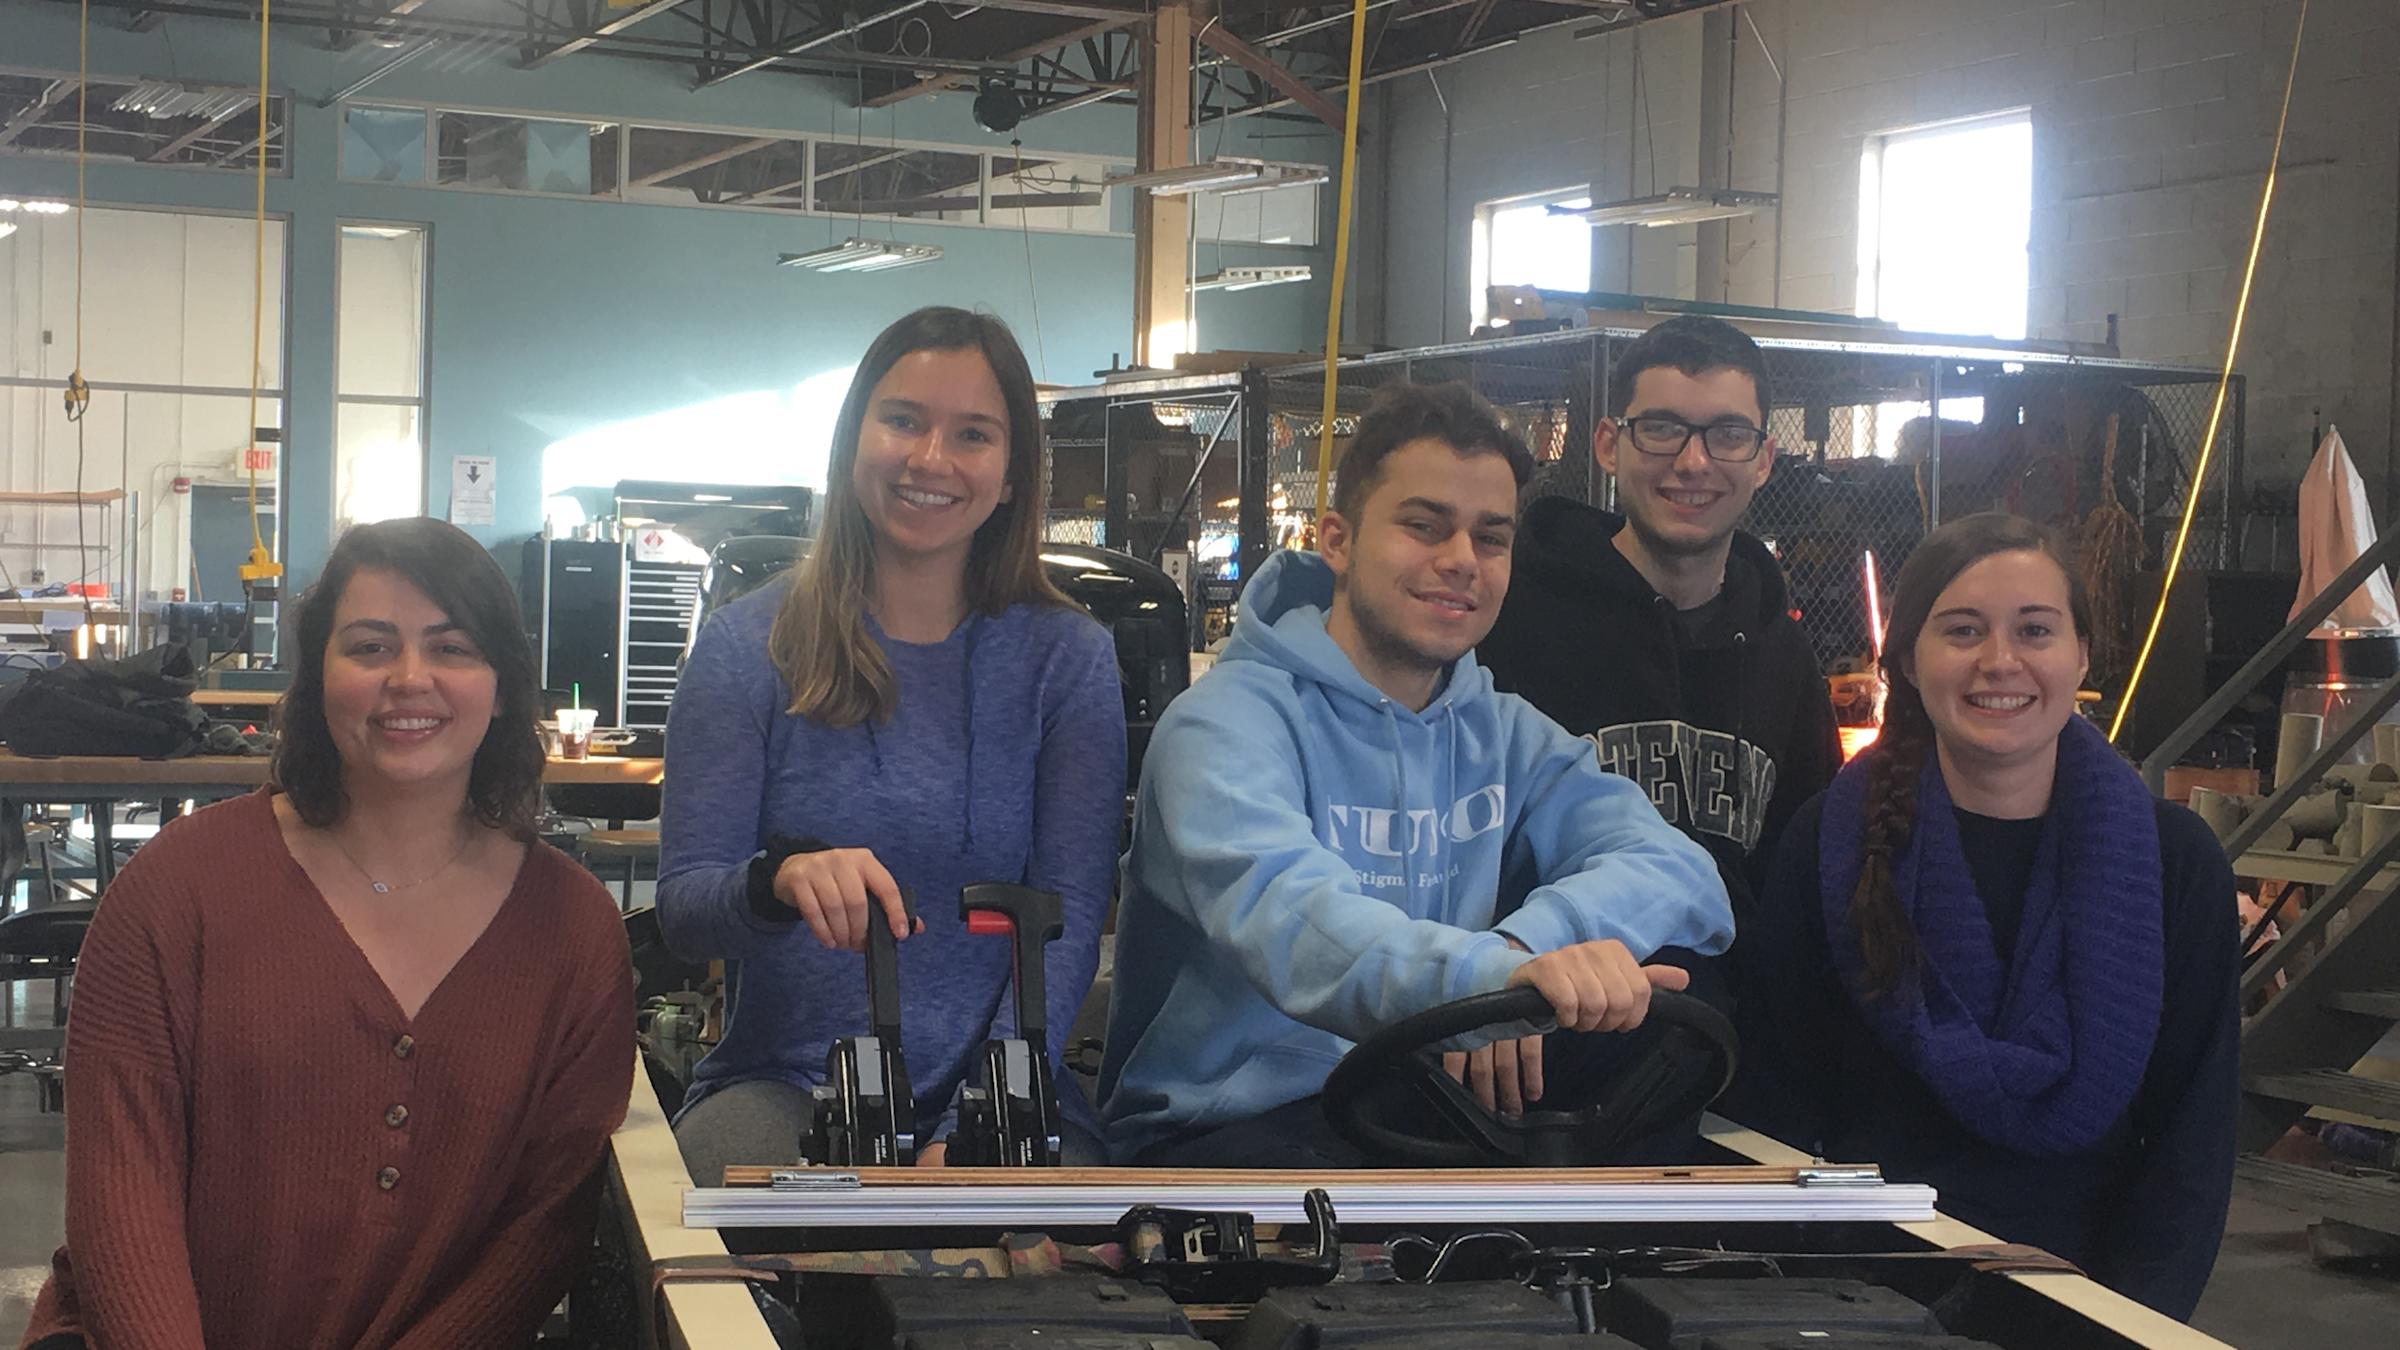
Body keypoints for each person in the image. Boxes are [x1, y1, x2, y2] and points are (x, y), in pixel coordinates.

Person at [21, 518, 635, 1350]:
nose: (410, 679)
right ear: (317, 676)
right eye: (371, 647)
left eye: (452, 648)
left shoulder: (575, 933)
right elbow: (122, 1194)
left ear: (503, 682)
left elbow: (545, 1227)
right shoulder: (178, 889)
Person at [1100, 381, 1733, 1168]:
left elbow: (1681, 871)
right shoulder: (1224, 728)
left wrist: (1524, 955)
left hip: (1427, 1100)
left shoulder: (1502, 730)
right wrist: (1490, 987)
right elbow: (1300, 930)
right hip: (1230, 1129)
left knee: (1673, 1020)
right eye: (1424, 526)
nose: (1461, 561)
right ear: (1336, 540)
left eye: (1490, 538)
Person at [660, 307, 1126, 1182]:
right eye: (903, 420)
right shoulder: (745, 648)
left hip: (1014, 1089)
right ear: (852, 438)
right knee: (738, 1246)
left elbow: (1068, 921)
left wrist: (978, 1120)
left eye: (973, 434)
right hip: (788, 1087)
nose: (930, 459)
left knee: (1047, 1292)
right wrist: (778, 882)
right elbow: (687, 912)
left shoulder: (1068, 662)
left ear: (1016, 472)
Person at [1748, 512, 2237, 1319]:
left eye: (2035, 630)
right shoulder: (1830, 844)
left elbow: (2193, 1136)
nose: (2000, 661)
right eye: (1963, 630)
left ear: (2082, 652)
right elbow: (1782, 1101)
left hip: (2096, 1301)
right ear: (1906, 659)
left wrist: (2130, 1324)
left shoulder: (2175, 862)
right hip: (1862, 1302)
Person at [1479, 316, 1838, 1094]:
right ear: (1609, 444)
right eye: (1663, 430)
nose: (1695, 462)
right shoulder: (1509, 618)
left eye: (1729, 435)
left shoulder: (1782, 655)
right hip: (1523, 1046)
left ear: (1766, 459)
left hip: (1720, 1058)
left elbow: (1797, 877)